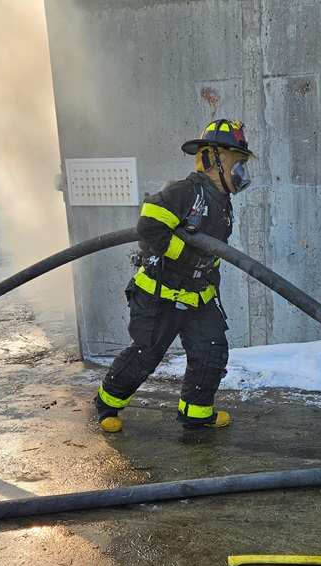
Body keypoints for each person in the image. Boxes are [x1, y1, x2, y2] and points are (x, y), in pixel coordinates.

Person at [94, 119, 257, 432]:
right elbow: (149, 226)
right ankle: (107, 406)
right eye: (238, 163)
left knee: (211, 351)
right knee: (146, 354)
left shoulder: (222, 203)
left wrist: (206, 276)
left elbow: (213, 253)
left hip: (198, 294)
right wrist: (186, 253)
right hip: (160, 294)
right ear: (215, 159)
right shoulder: (185, 192)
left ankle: (197, 413)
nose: (241, 172)